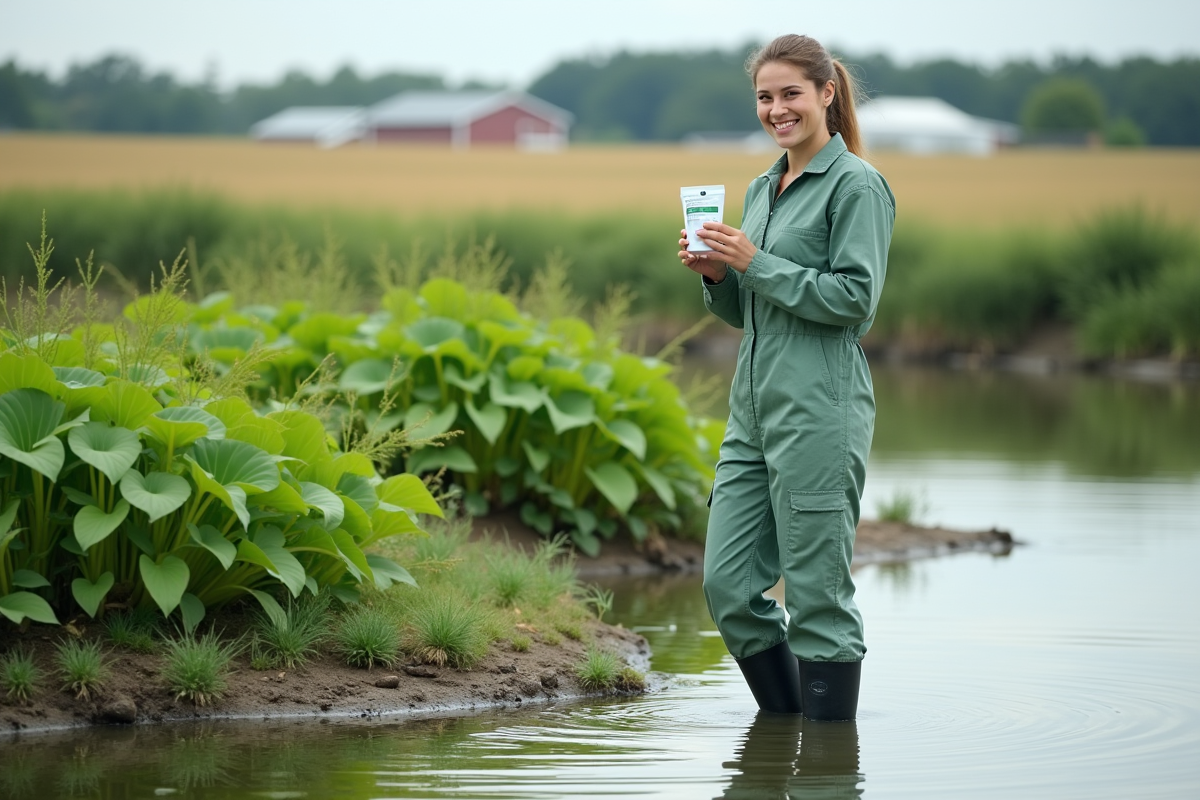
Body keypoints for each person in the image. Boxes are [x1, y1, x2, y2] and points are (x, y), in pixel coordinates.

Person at [678, 34, 895, 721]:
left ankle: (828, 768)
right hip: (753, 414)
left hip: (819, 414)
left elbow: (854, 302)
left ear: (827, 93)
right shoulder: (761, 187)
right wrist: (718, 274)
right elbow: (749, 309)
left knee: (816, 596)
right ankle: (784, 738)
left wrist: (754, 261)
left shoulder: (857, 186)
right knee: (728, 586)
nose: (777, 109)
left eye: (790, 94)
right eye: (765, 97)